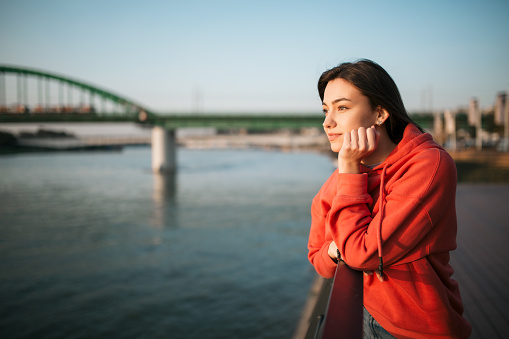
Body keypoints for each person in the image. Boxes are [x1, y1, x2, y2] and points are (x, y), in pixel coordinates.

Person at [307, 59, 472, 338]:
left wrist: (348, 169)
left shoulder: (428, 166)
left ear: (380, 113)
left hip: (418, 328)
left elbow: (362, 254)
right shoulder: (335, 184)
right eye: (325, 110)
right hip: (364, 314)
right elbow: (319, 260)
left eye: (342, 107)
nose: (327, 122)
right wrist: (336, 250)